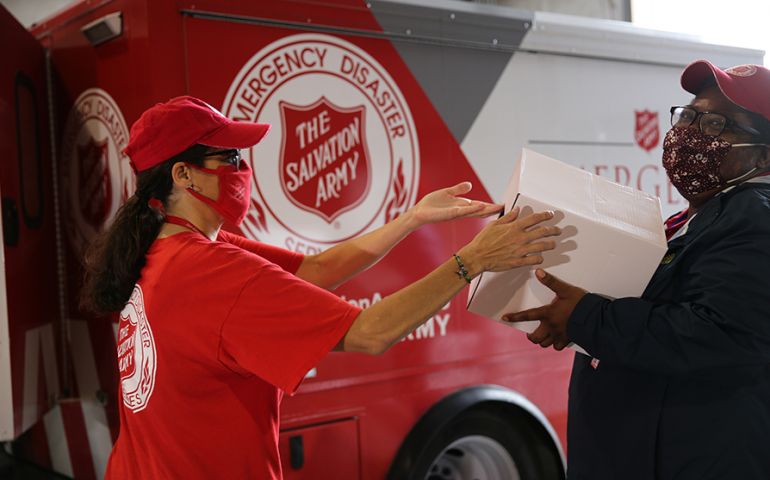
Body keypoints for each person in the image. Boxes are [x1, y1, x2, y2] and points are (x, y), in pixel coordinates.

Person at [80, 95, 560, 479]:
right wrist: (473, 259)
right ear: (183, 175)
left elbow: (315, 269)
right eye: (228, 156)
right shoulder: (213, 271)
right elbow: (370, 334)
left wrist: (412, 218)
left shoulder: (165, 247)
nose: (242, 167)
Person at [505, 60, 770, 480]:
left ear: (763, 154)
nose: (690, 134)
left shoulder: (755, 219)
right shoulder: (701, 216)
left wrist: (584, 316)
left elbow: (717, 332)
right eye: (689, 115)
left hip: (693, 458)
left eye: (718, 124)